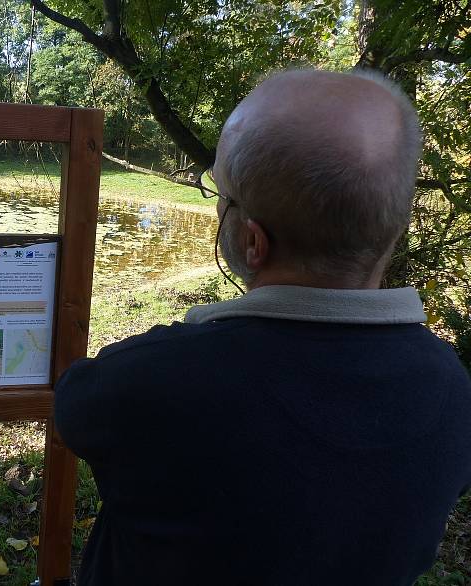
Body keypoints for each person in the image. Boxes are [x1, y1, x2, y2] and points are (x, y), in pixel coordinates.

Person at [54, 69, 471, 586]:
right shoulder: (453, 391)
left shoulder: (151, 382)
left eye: (221, 196)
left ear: (253, 243)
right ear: (395, 223)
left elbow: (73, 404)